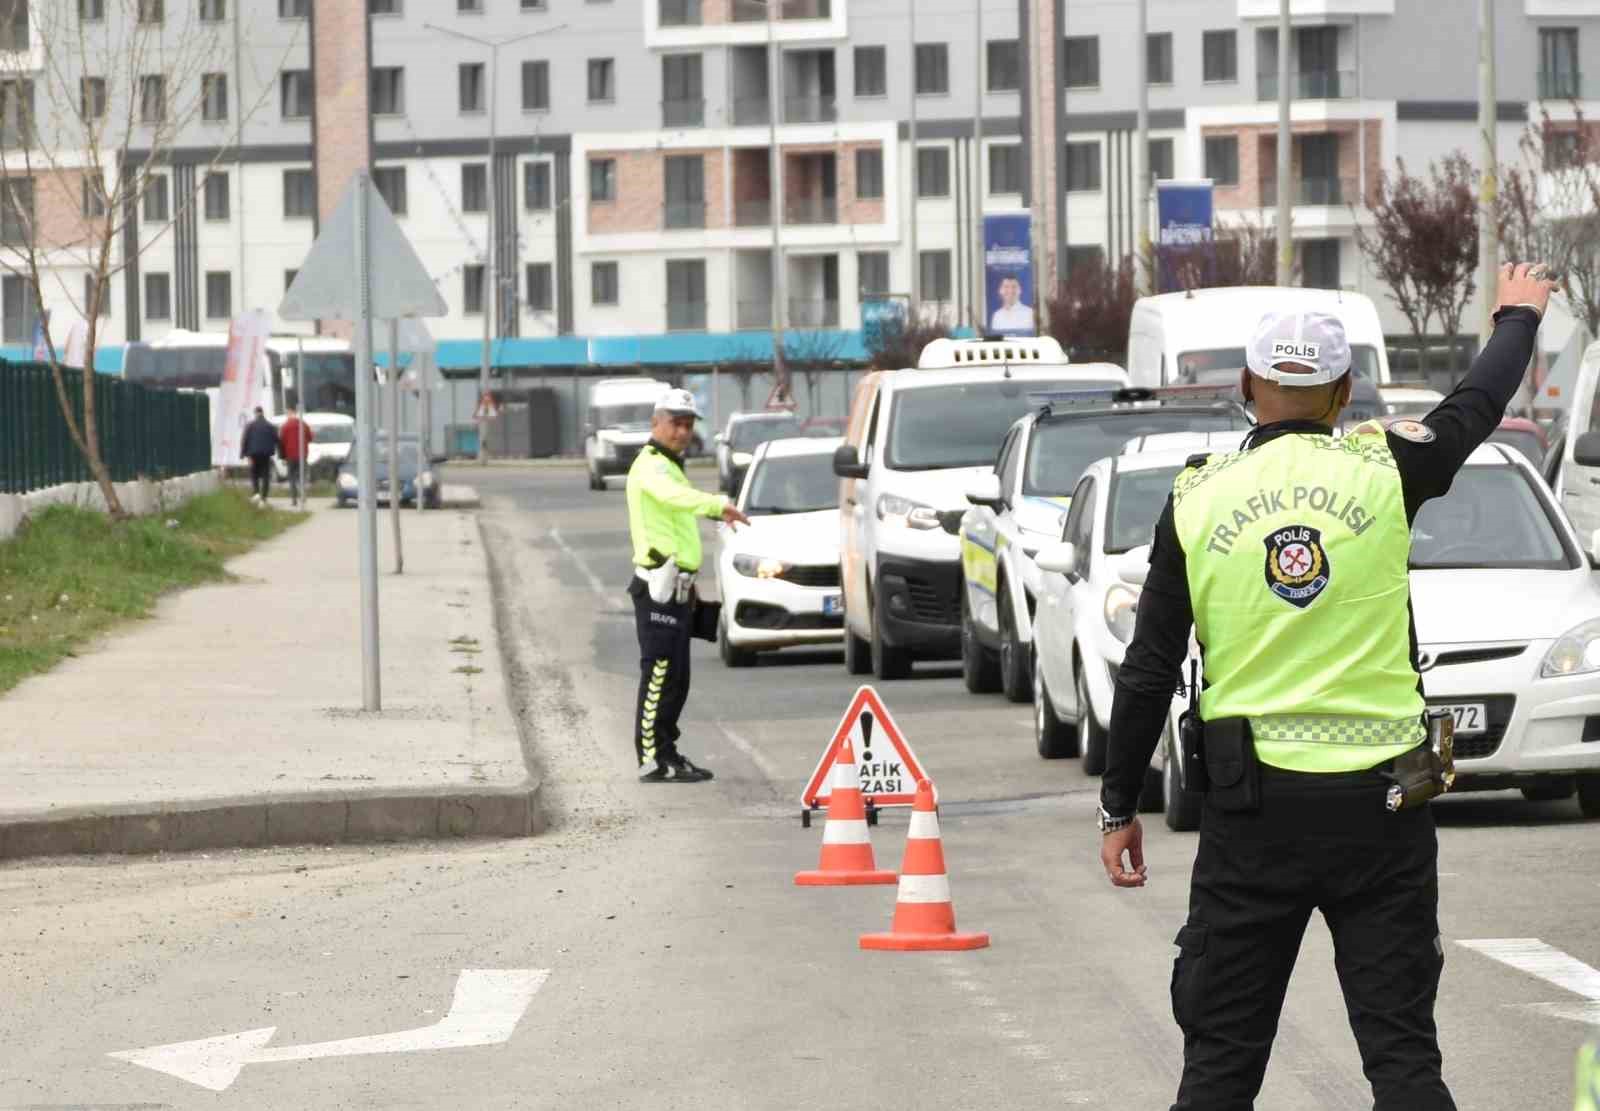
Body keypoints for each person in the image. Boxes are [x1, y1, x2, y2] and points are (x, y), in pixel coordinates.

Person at [1095, 262, 1558, 1111]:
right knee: (1404, 1061)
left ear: (1246, 387)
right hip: (1383, 809)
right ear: (1345, 391)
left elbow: (1150, 666)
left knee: (1220, 1070)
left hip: (1251, 818)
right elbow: (1474, 406)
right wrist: (1518, 317)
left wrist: (1119, 805)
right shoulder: (1386, 468)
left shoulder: (1196, 497)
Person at [626, 389, 750, 783]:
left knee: (677, 680)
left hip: (677, 587)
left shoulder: (670, 465)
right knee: (659, 674)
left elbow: (675, 521)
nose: (681, 431)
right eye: (674, 423)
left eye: (687, 424)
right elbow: (672, 496)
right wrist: (715, 505)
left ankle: (668, 753)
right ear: (655, 423)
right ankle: (651, 759)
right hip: (657, 587)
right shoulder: (651, 465)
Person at [240, 406, 280, 506]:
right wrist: (279, 452)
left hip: (253, 454)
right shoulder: (271, 426)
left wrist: (243, 454)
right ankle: (264, 498)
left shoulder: (250, 425)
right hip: (266, 455)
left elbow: (244, 440)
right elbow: (277, 440)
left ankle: (256, 493)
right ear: (262, 413)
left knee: (254, 474)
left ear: (255, 413)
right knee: (266, 475)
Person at [278, 405, 315, 508]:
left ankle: (294, 499)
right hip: (302, 455)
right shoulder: (304, 424)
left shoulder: (284, 426)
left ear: (289, 413)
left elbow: (281, 442)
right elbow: (311, 437)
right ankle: (303, 496)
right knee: (302, 476)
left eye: (287, 413)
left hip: (290, 456)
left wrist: (283, 457)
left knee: (292, 478)